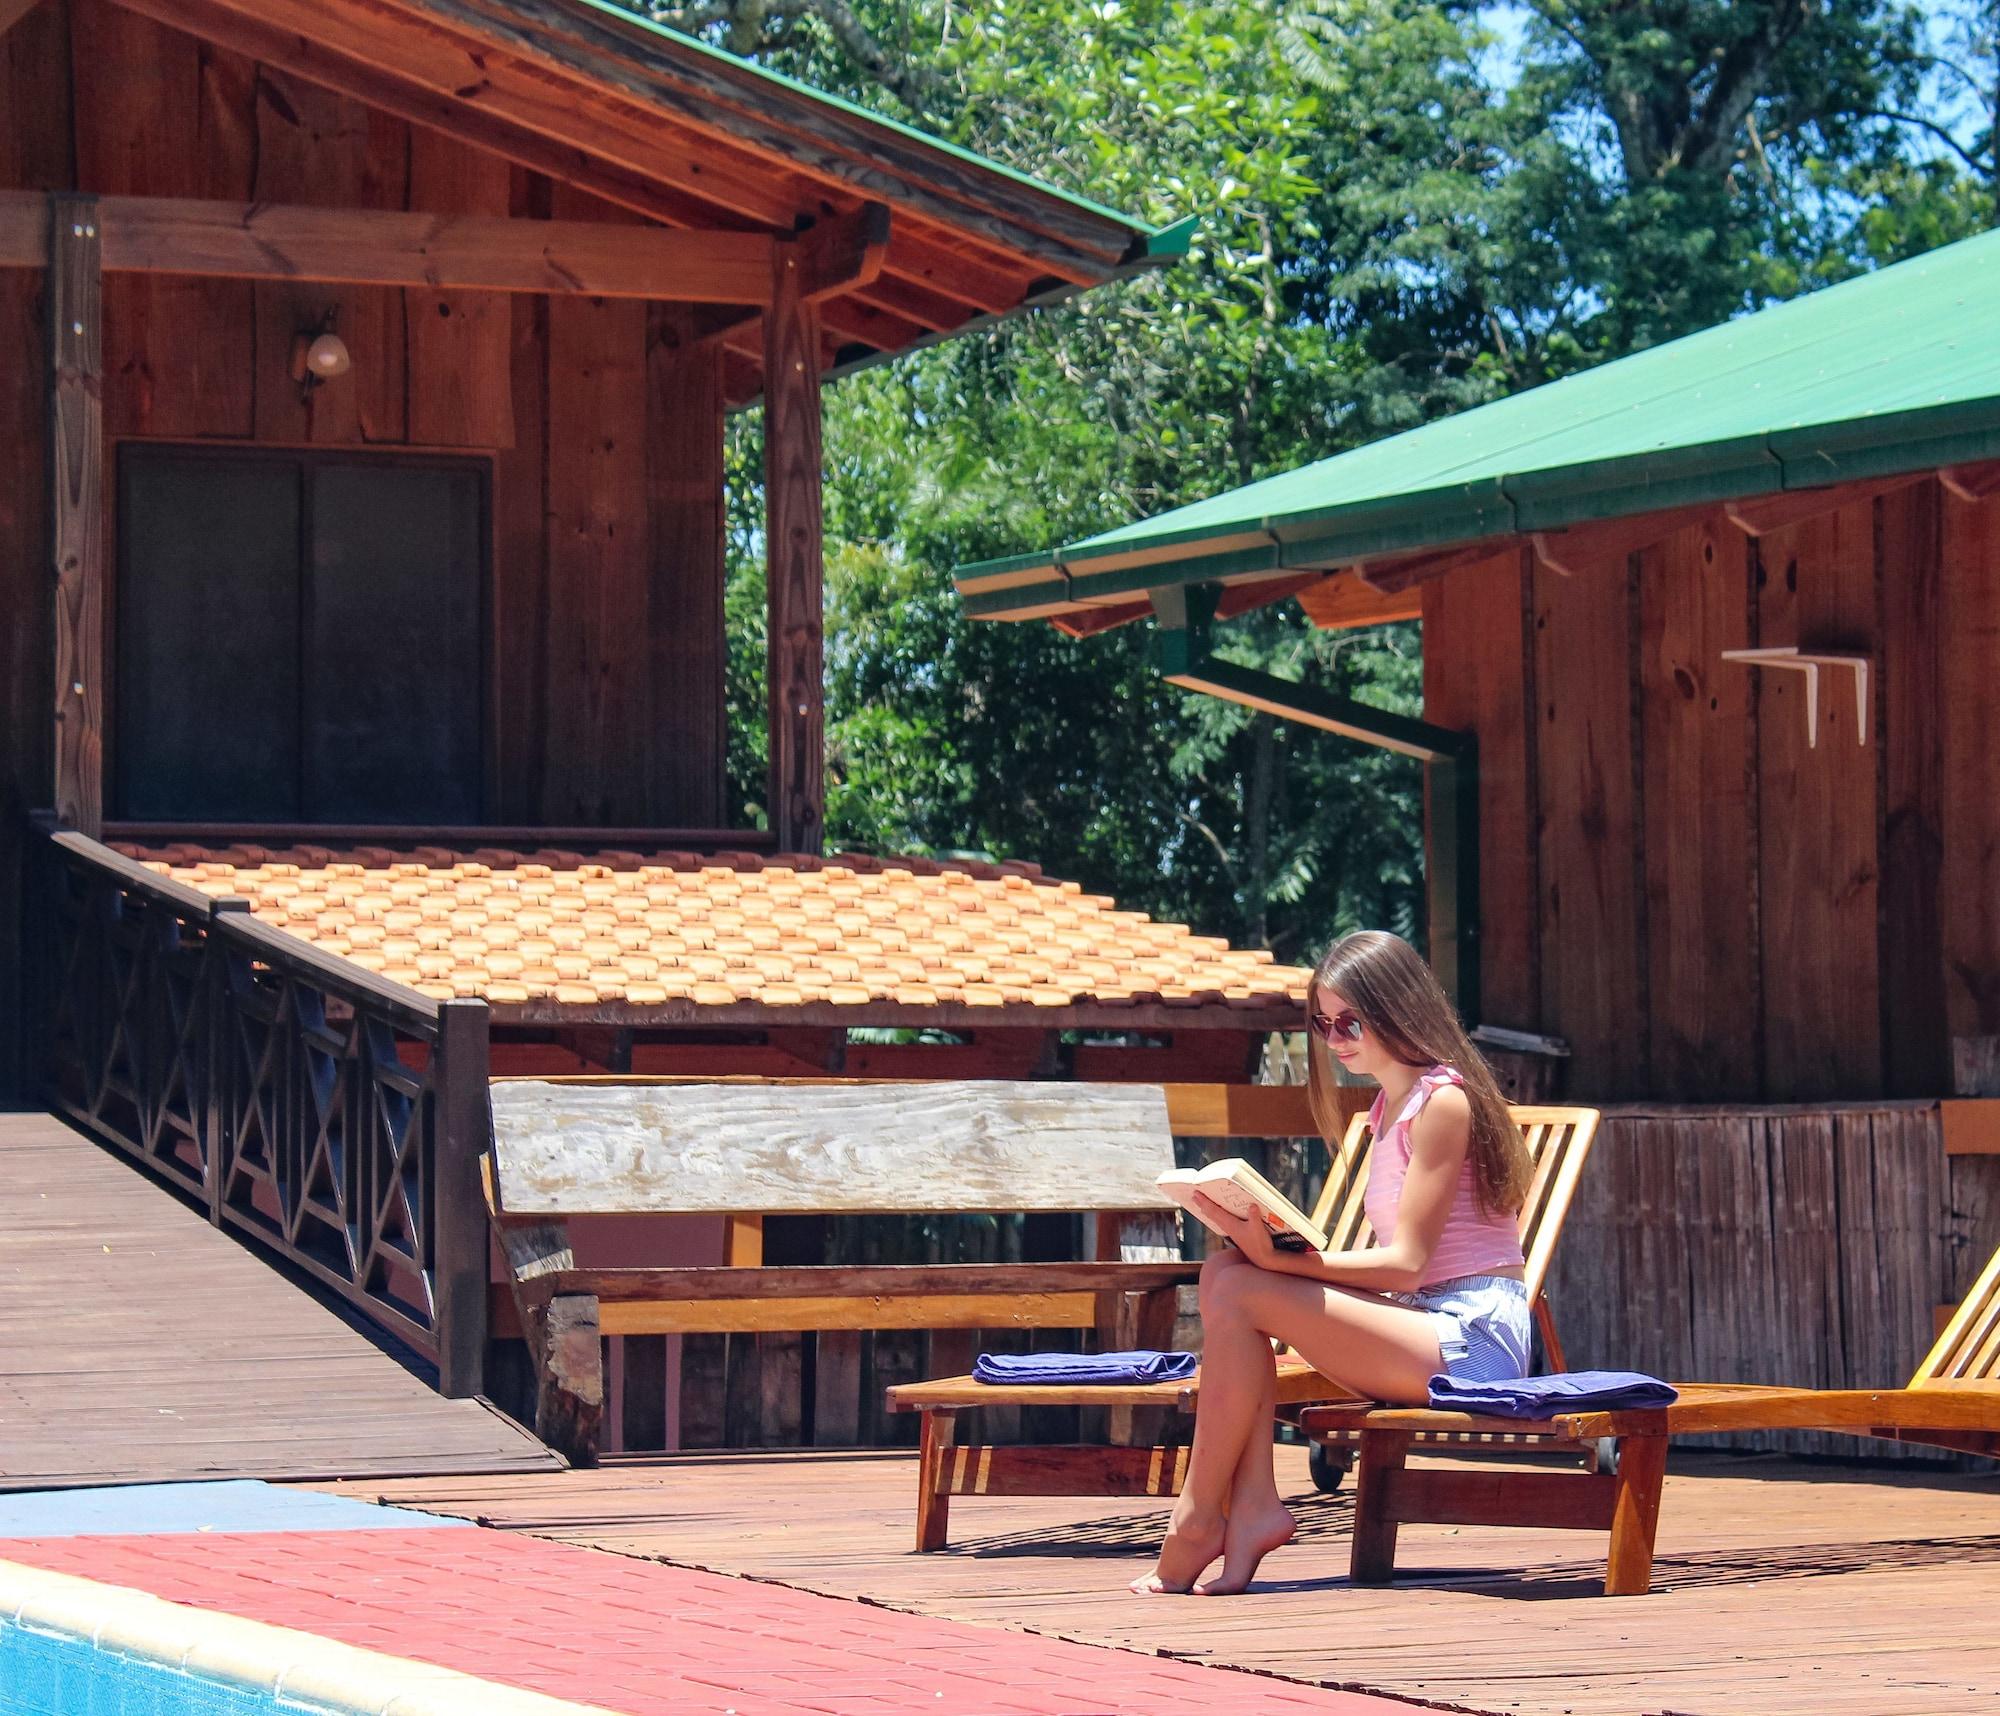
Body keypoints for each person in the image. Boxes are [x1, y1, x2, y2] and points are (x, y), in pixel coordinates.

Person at [1133, 929, 1534, 1596]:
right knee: (1225, 1276)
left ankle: (1201, 1518)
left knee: (1240, 1287)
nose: (1337, 1037)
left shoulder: (1444, 1103)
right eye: (1323, 1024)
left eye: (1351, 1020)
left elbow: (1407, 1264)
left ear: (1397, 1008)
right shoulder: (1390, 1106)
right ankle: (1251, 1505)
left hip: (1471, 1340)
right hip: (1418, 1324)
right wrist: (1266, 1249)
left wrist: (1285, 1263)